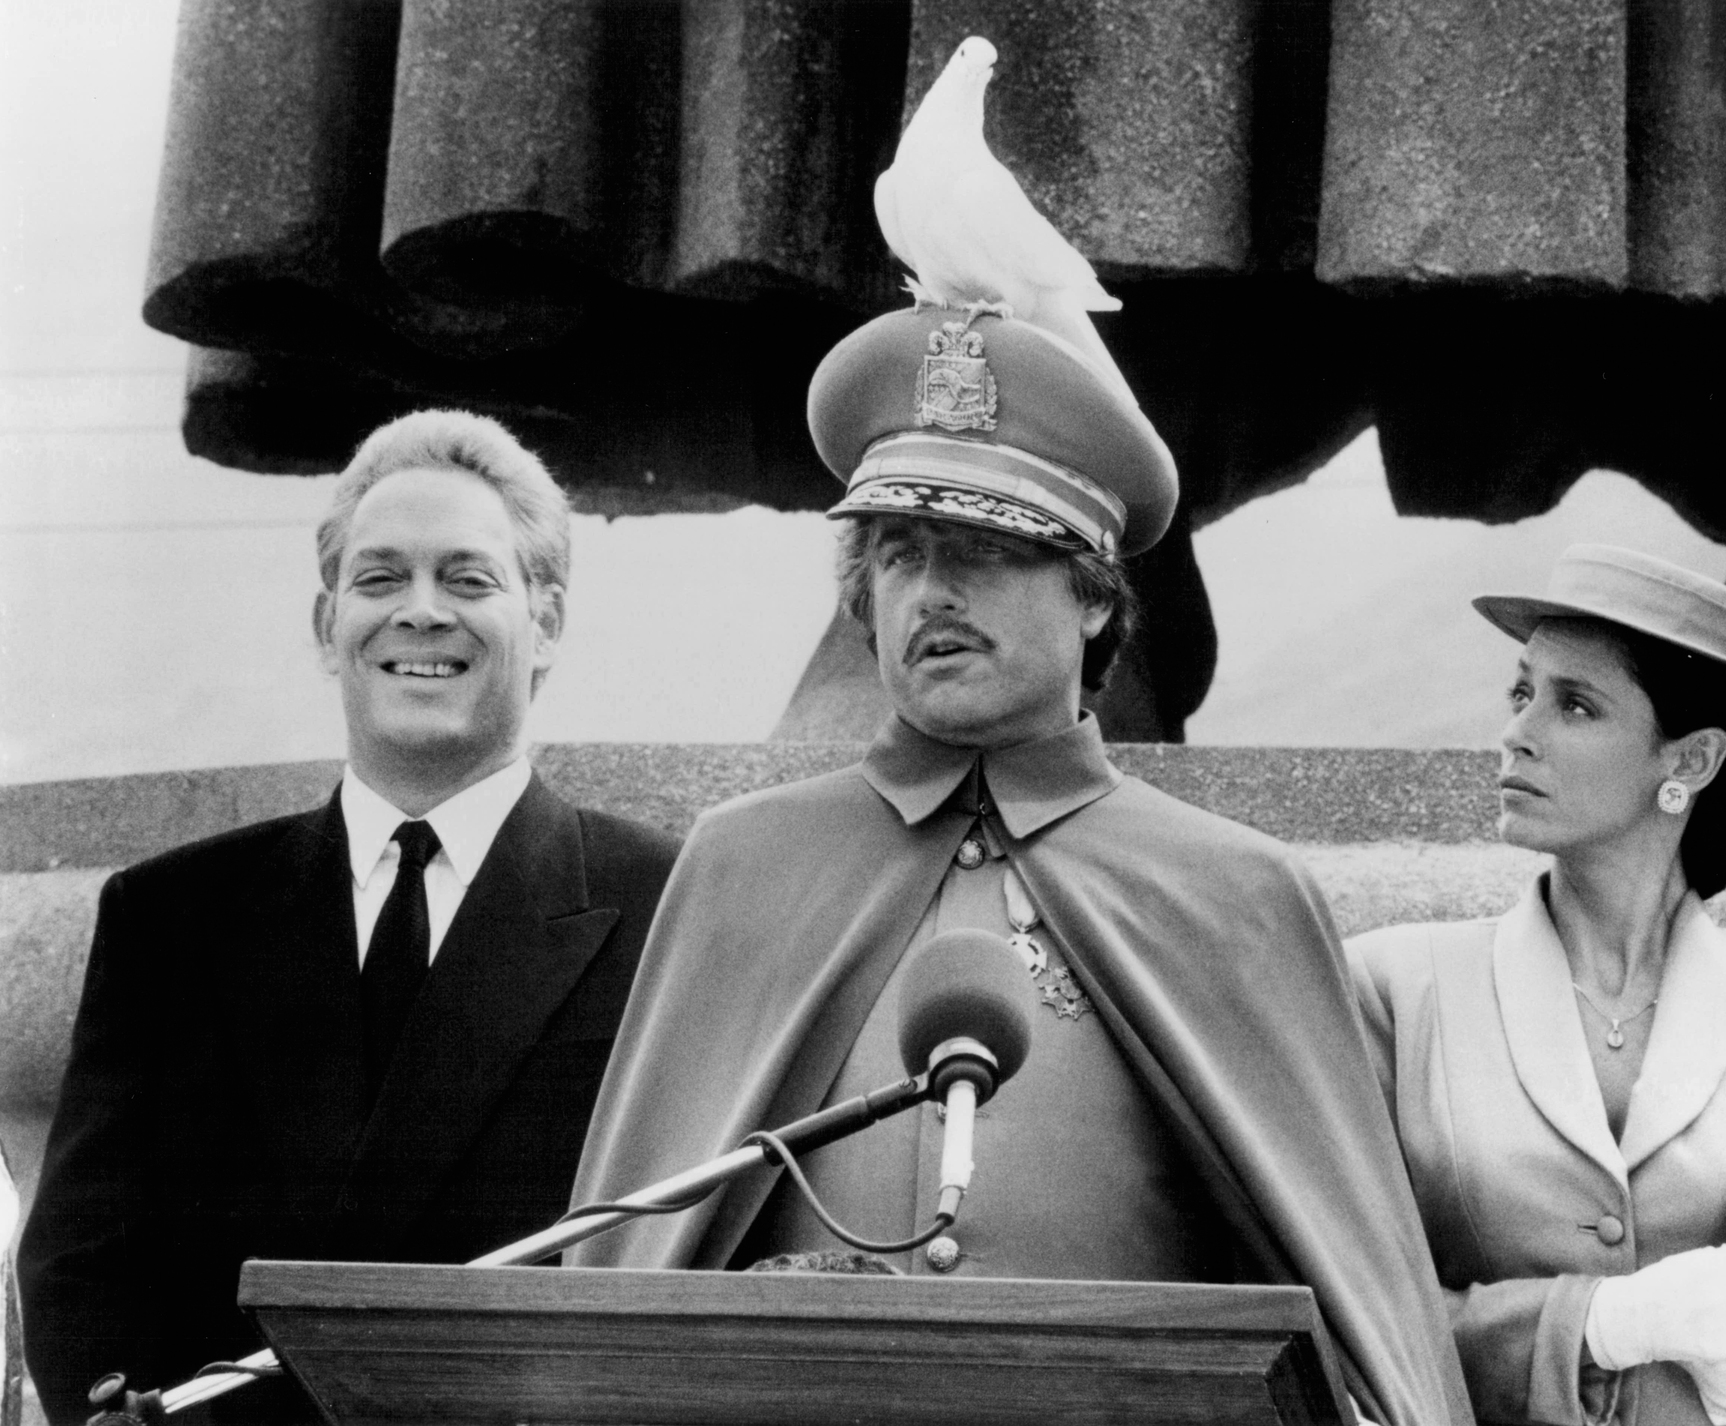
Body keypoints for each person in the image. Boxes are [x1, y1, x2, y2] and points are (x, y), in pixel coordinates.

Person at [568, 306, 1473, 1426]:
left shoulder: (1233, 893)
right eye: (898, 553)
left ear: (1093, 591)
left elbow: (1362, 1328)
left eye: (986, 551)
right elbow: (613, 1298)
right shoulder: (740, 865)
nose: (932, 592)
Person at [19, 411, 681, 1425]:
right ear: (326, 623)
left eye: (468, 578)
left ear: (544, 621)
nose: (419, 612)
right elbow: (80, 1267)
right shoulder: (172, 918)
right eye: (379, 580)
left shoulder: (667, 906)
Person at [1347, 545, 1726, 1425]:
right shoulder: (1393, 989)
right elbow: (1339, 1311)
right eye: (1523, 692)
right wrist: (1598, 1324)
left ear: (1693, 761)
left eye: (1575, 705)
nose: (1518, 731)